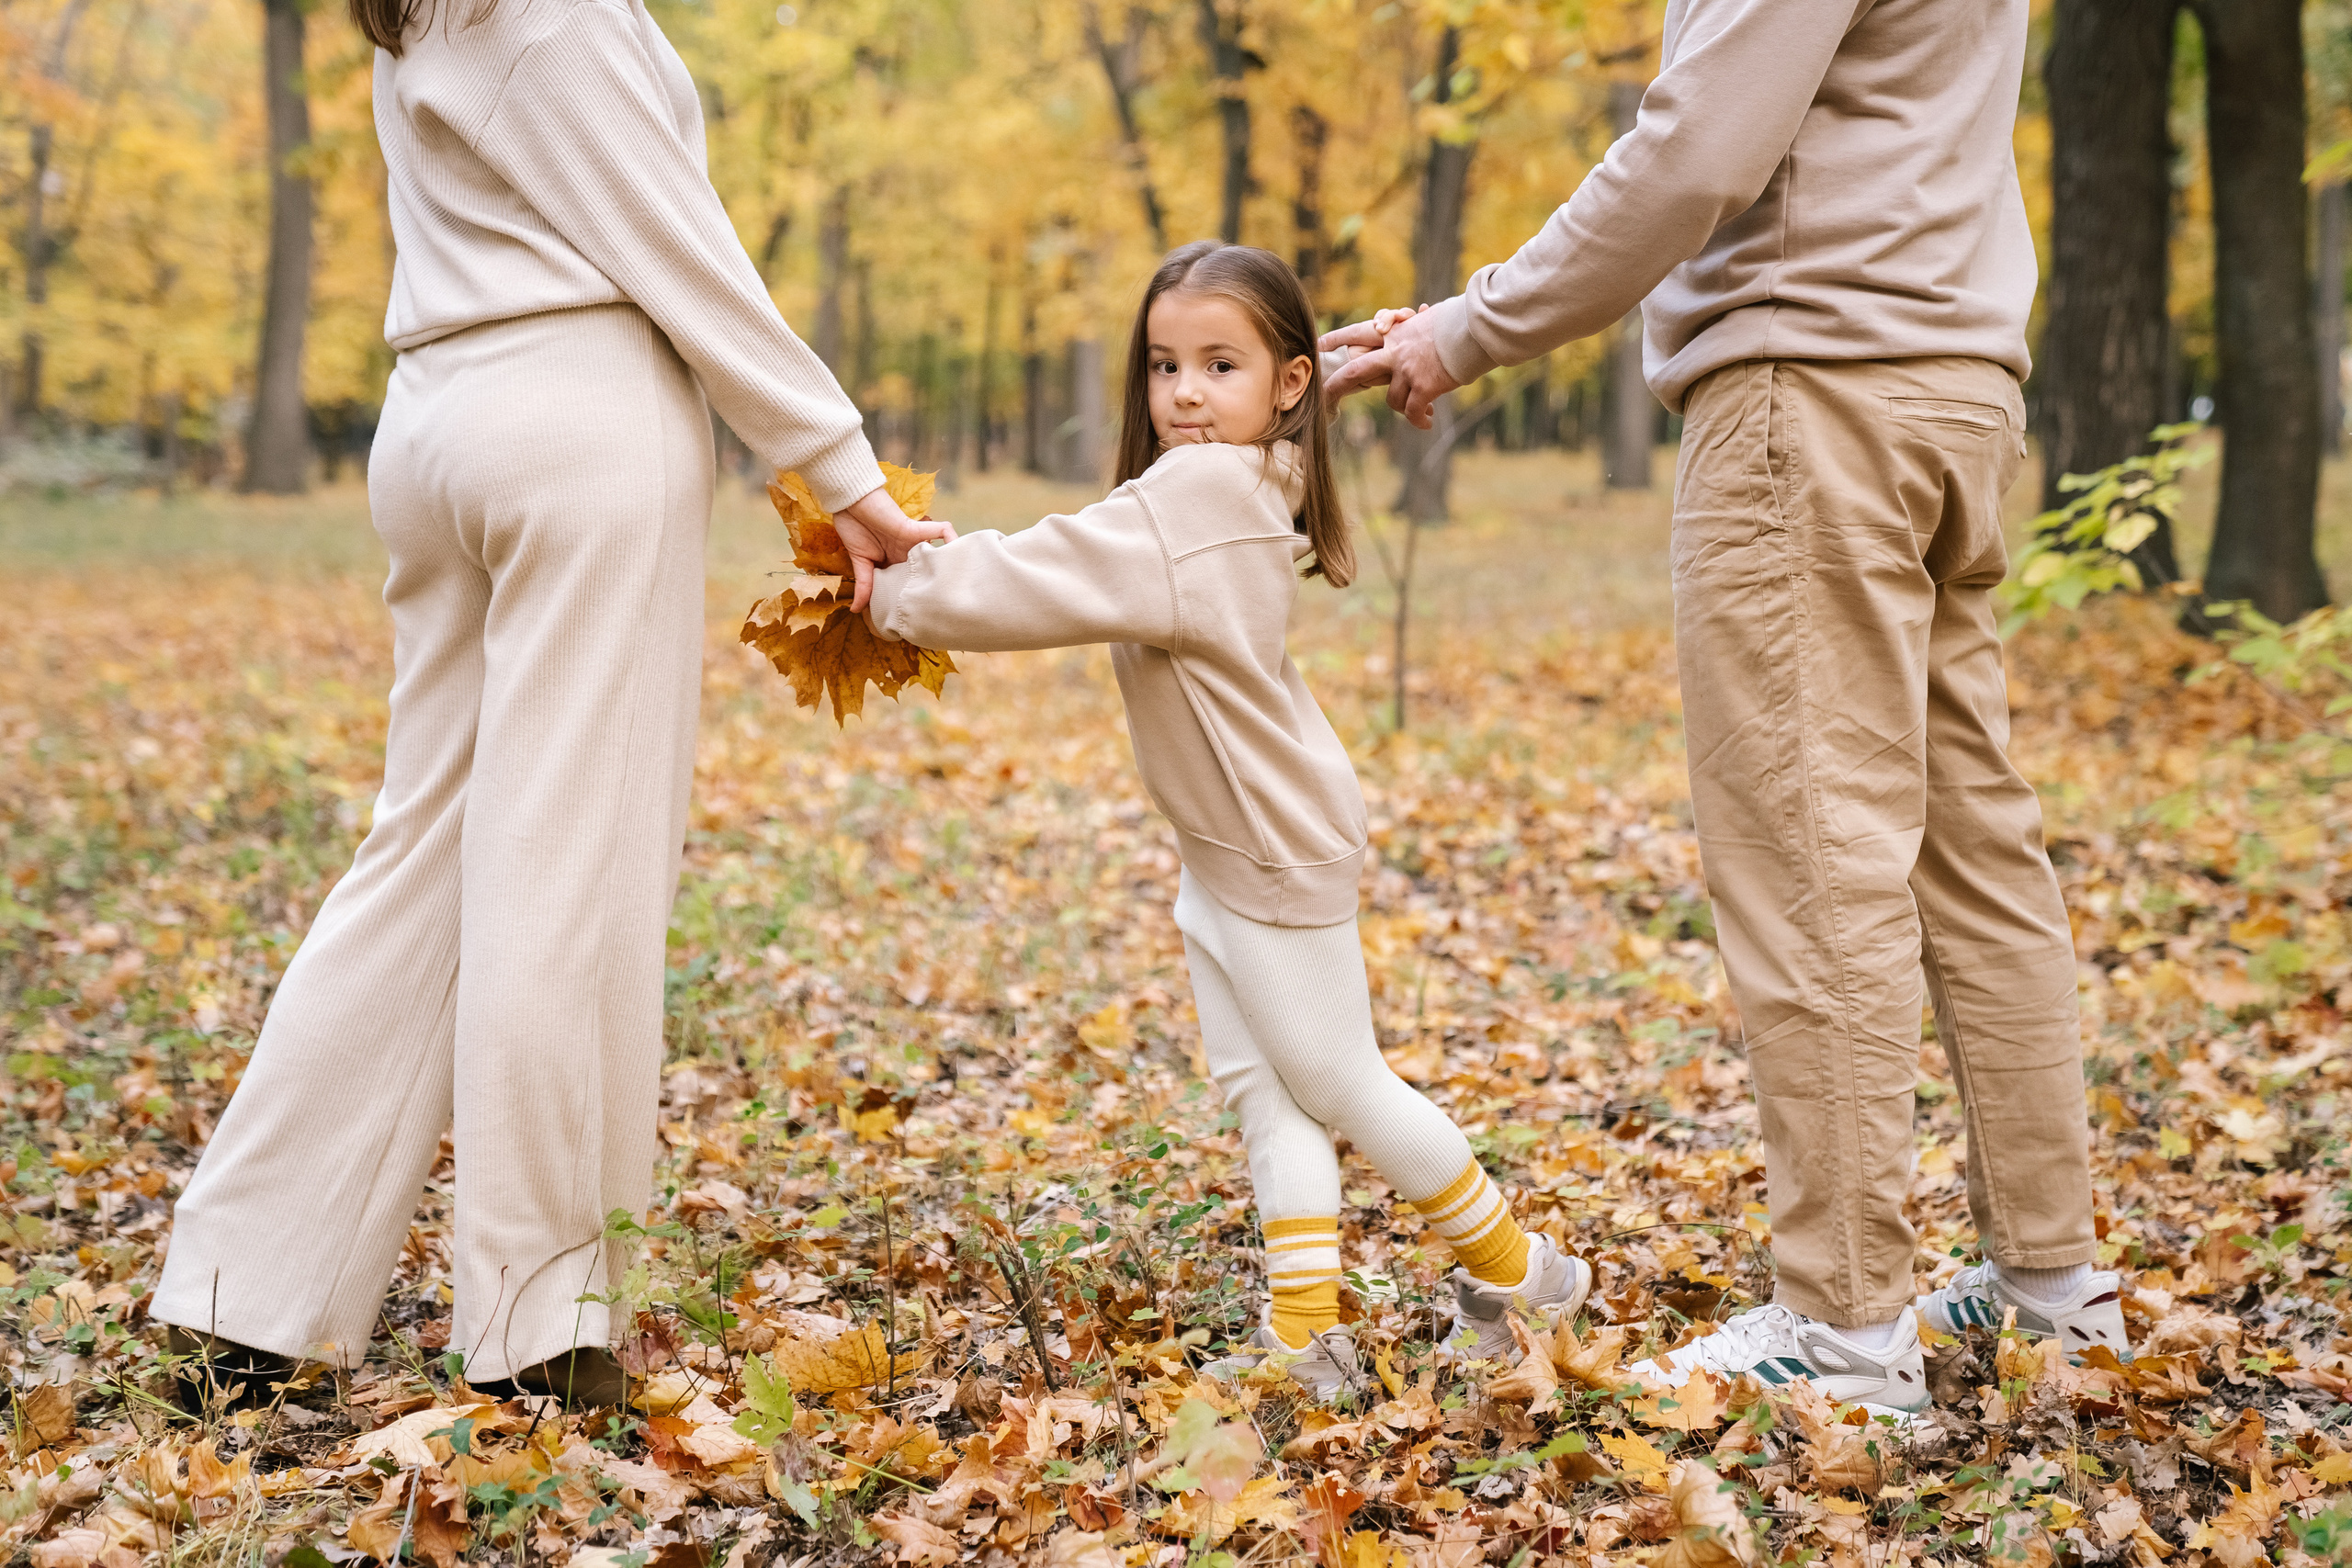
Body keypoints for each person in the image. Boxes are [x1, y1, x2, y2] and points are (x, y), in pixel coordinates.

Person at [1324, 0, 2129, 1415]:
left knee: (1817, 863)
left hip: (1809, 395)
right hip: (1953, 391)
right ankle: (2058, 1288)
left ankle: (1847, 1332)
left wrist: (1466, 327)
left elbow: (1698, 153)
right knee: (1972, 852)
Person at [150, 0, 946, 1405]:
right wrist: (846, 473)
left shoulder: (432, 8)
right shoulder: (550, 10)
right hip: (573, 416)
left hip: (439, 419)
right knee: (565, 866)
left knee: (425, 854)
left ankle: (242, 1294)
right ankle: (538, 1321)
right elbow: (683, 253)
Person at [863, 242, 1584, 1401]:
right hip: (1228, 838)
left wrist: (888, 593)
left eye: (1215, 366)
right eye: (1162, 366)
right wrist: (1329, 368)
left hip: (1268, 842)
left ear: (1279, 385)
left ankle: (1523, 1274)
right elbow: (1255, 412)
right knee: (1269, 1091)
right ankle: (1307, 1336)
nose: (1185, 395)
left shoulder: (1194, 493)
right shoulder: (1250, 472)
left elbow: (1031, 576)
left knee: (1342, 1082)